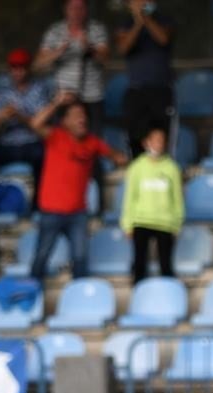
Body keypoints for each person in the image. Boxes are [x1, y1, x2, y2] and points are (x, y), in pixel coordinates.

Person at [28, 91, 127, 281]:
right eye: (75, 116)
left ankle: (79, 299)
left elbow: (117, 157)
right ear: (64, 121)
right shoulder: (56, 136)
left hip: (77, 214)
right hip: (51, 211)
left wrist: (121, 157)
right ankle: (32, 298)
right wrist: (56, 102)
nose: (81, 119)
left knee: (80, 259)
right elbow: (34, 124)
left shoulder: (93, 143)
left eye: (83, 116)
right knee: (41, 257)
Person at [35, 0, 110, 134]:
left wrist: (89, 48)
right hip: (65, 97)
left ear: (86, 10)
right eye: (72, 8)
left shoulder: (96, 29)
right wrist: (58, 52)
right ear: (65, 9)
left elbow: (105, 60)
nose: (76, 12)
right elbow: (38, 64)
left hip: (92, 97)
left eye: (80, 7)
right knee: (64, 141)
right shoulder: (55, 31)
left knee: (93, 141)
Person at [121, 125, 183, 284]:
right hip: (141, 221)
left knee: (166, 266)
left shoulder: (172, 168)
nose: (158, 144)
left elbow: (177, 198)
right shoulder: (136, 167)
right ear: (146, 142)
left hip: (165, 223)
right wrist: (127, 223)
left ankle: (169, 299)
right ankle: (138, 297)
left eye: (161, 141)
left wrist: (177, 223)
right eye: (155, 140)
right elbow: (130, 197)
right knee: (139, 265)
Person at [114, 0, 175, 157]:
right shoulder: (125, 24)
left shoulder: (164, 20)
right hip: (136, 91)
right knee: (136, 139)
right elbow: (123, 48)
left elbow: (163, 39)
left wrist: (145, 18)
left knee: (161, 138)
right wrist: (138, 23)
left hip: (160, 90)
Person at [0, 48, 51, 182]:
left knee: (44, 156)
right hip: (6, 144)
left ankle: (38, 202)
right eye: (14, 67)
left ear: (28, 68)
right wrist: (2, 117)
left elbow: (43, 128)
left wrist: (20, 116)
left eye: (22, 67)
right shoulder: (1, 93)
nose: (18, 71)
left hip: (31, 143)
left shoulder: (39, 90)